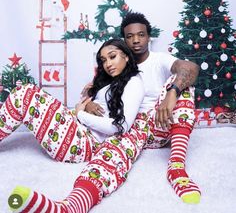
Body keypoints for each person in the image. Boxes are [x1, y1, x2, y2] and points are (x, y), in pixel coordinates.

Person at [1, 39, 145, 212]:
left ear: (126, 57)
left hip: (84, 142)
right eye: (103, 60)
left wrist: (81, 114)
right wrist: (86, 105)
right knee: (24, 93)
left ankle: (69, 207)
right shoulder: (110, 83)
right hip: (77, 128)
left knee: (25, 94)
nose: (108, 64)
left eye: (112, 57)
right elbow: (89, 107)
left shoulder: (134, 82)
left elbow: (119, 127)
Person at [84, 12, 201, 204]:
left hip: (161, 123)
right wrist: (88, 103)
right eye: (129, 37)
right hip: (132, 129)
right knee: (110, 155)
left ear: (149, 37)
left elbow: (191, 68)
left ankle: (176, 167)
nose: (136, 40)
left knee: (183, 84)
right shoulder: (117, 63)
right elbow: (96, 90)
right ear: (124, 40)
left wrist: (172, 92)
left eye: (141, 35)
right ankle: (80, 198)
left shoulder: (159, 59)